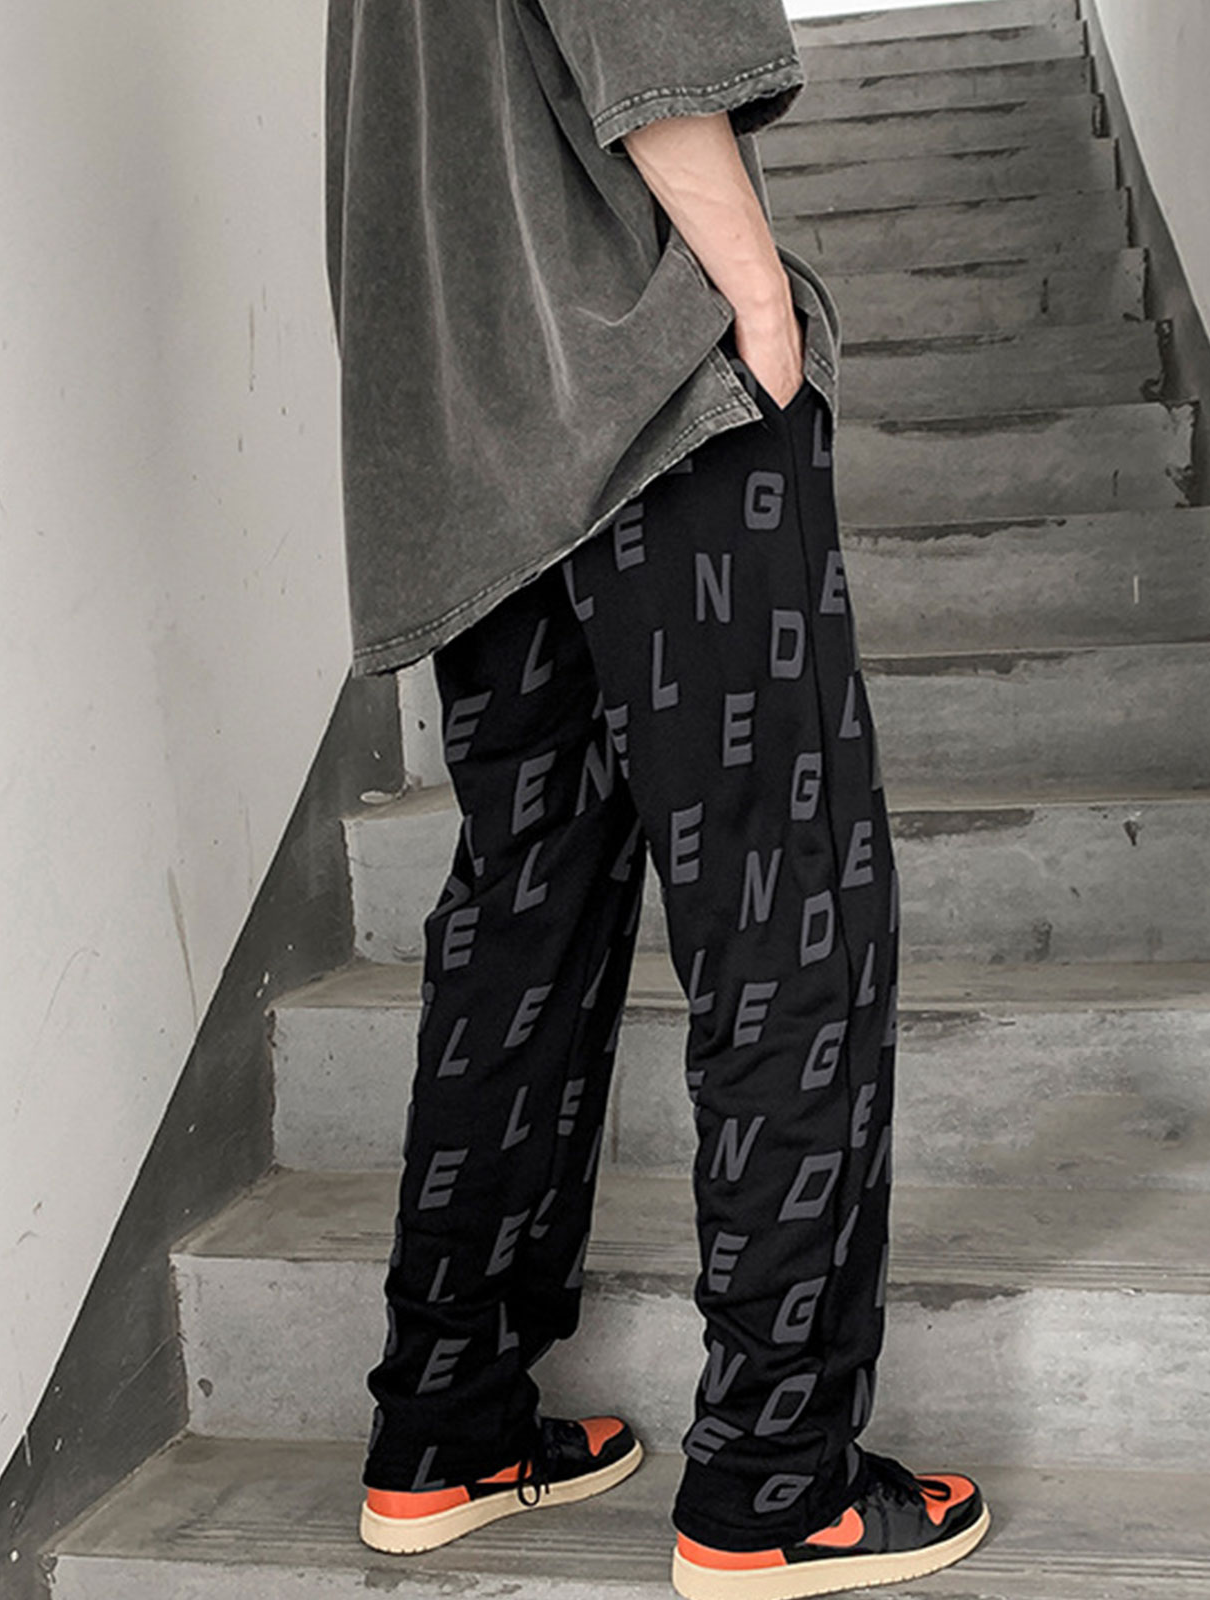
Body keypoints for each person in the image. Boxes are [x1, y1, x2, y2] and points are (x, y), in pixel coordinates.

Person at [323, 2, 989, 1595]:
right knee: (791, 908)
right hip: (648, 391)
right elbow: (651, 38)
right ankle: (775, 1481)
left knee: (525, 919)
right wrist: (759, 300)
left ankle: (445, 1424)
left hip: (470, 432)